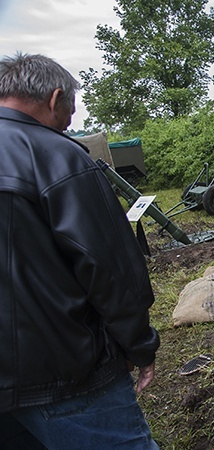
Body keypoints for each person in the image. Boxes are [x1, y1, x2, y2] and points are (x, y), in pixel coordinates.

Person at [0, 52, 160, 448]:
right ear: (56, 99)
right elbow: (110, 269)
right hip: (66, 373)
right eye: (71, 108)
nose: (71, 122)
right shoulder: (57, 156)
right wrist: (139, 344)